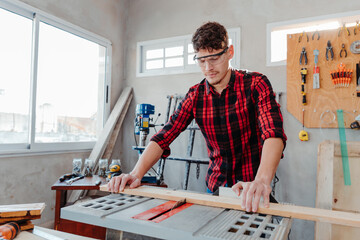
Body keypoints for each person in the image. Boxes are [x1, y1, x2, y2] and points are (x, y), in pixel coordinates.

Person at [108, 21, 287, 213]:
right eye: (201, 60)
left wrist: (261, 180)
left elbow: (273, 133)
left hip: (251, 188)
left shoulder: (256, 84)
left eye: (214, 58)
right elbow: (164, 136)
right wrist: (136, 174)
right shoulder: (195, 96)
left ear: (230, 52)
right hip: (215, 188)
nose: (208, 67)